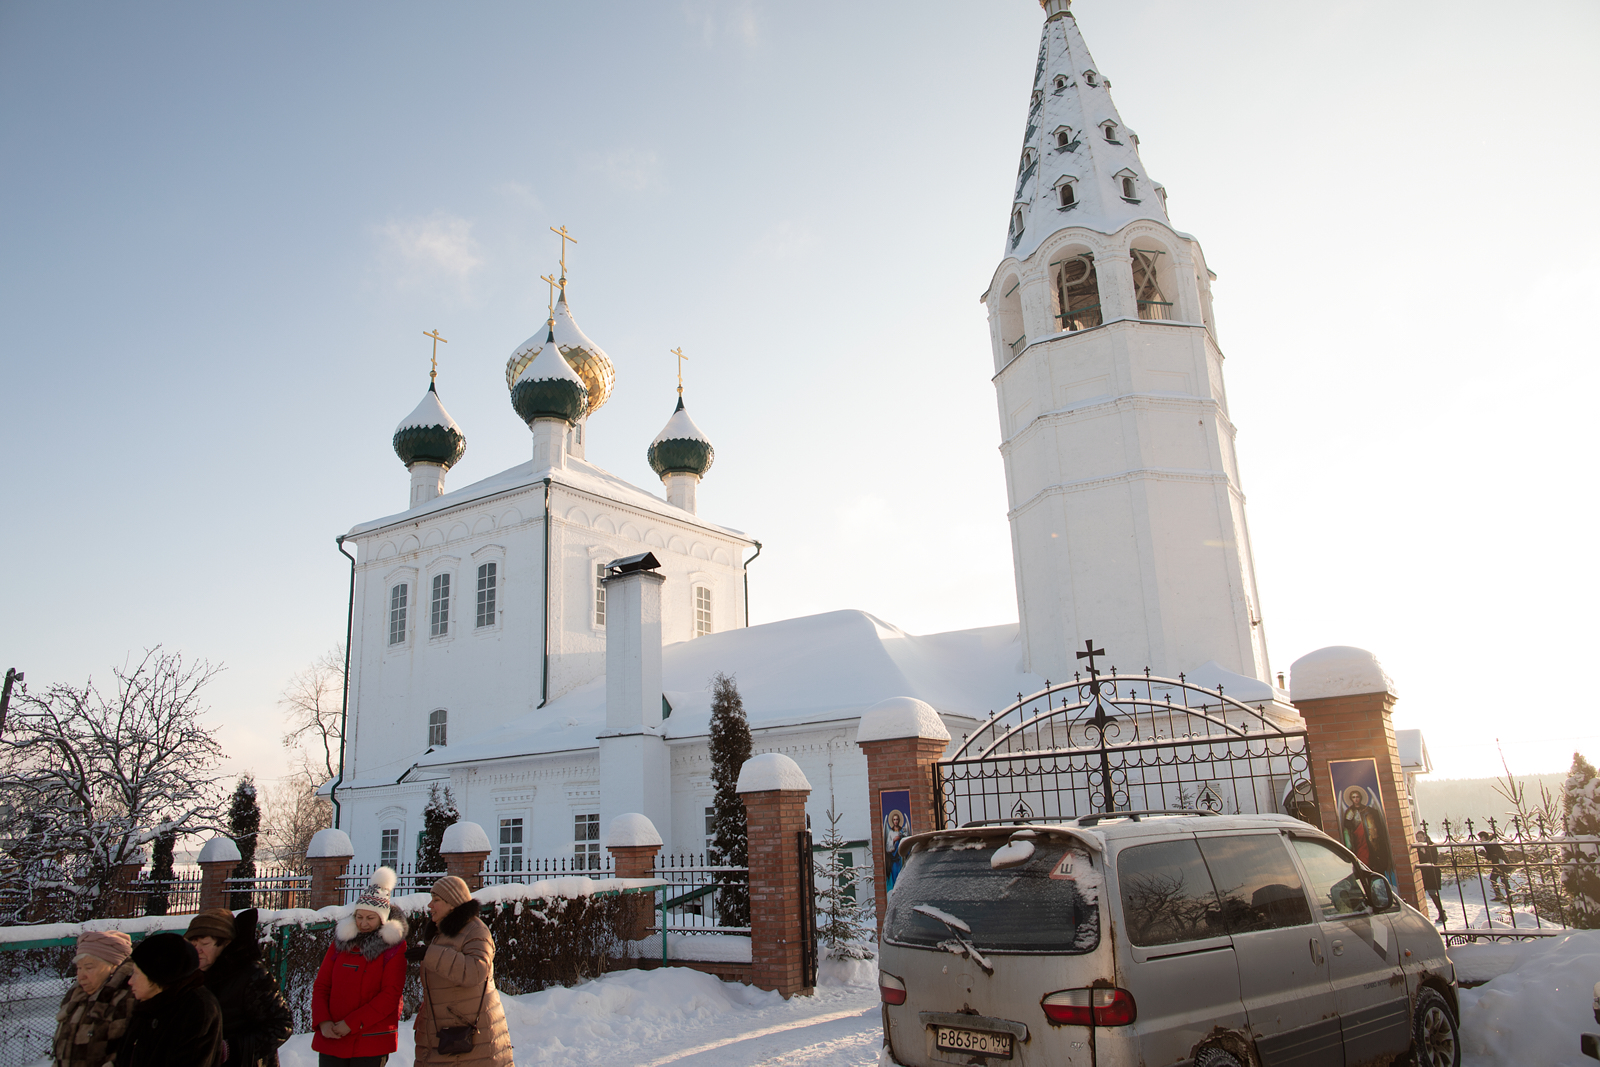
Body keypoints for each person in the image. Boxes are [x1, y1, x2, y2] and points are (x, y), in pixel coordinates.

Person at [406, 876, 513, 1067]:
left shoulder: (476, 932)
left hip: (471, 1040)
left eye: (436, 900)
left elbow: (475, 970)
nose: (430, 905)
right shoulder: (442, 934)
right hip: (445, 1037)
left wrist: (430, 954)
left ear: (452, 903)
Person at [312, 867, 408, 1067]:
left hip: (371, 1039)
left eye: (370, 918)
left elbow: (390, 994)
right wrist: (323, 1021)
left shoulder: (393, 946)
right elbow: (322, 985)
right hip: (333, 1036)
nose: (363, 923)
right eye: (359, 917)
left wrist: (352, 1023)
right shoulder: (342, 942)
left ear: (382, 918)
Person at [186, 909, 292, 1067]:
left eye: (205, 944)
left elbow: (282, 1025)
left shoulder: (252, 975)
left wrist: (231, 1049)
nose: (198, 950)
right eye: (193, 944)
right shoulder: (189, 976)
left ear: (225, 943)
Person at [117, 933, 222, 1067]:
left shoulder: (196, 1008)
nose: (130, 981)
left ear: (156, 975)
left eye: (136, 974)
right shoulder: (147, 1005)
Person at [53, 930, 138, 1067]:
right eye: (79, 968)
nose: (81, 976)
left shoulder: (127, 999)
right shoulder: (76, 995)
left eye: (88, 967)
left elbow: (128, 1055)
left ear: (113, 967)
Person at [1340, 786, 1392, 875]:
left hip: (1369, 838)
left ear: (1360, 798)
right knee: (1362, 857)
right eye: (1353, 797)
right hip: (1358, 840)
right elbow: (1347, 827)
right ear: (1351, 799)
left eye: (1357, 797)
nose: (1356, 799)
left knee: (1372, 857)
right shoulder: (1350, 812)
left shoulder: (1368, 810)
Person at [1414, 831, 1446, 923]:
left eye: (1421, 837)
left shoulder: (1431, 846)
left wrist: (1425, 852)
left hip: (1432, 873)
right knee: (1420, 894)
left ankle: (1441, 913)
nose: (1419, 839)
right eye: (1418, 837)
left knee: (1432, 893)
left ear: (1425, 837)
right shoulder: (1417, 847)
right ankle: (1421, 916)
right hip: (1423, 873)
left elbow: (1434, 859)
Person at [1477, 831, 1514, 902]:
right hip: (1498, 864)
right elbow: (1491, 856)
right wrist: (1485, 855)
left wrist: (1507, 864)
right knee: (1499, 880)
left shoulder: (1491, 844)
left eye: (1480, 838)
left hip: (1500, 864)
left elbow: (1497, 854)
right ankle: (1504, 896)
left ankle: (1507, 898)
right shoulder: (1489, 843)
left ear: (1483, 837)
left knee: (1502, 881)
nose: (1480, 839)